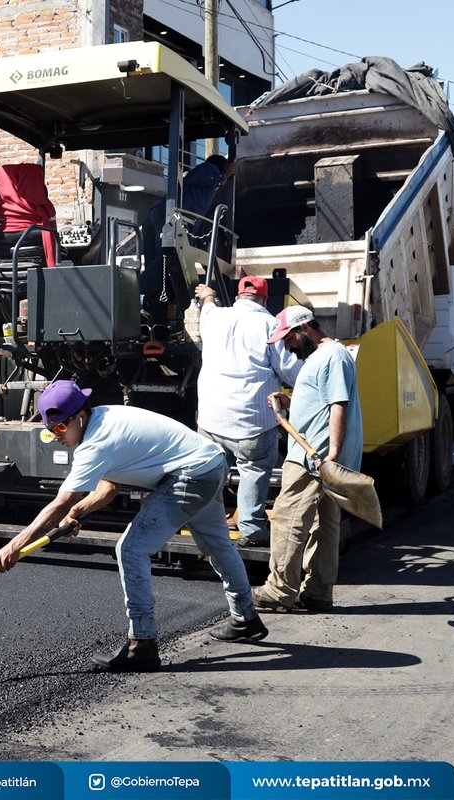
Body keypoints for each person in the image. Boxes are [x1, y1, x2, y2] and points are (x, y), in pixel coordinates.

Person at [0, 380, 267, 672]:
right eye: (50, 430)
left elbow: (60, 502)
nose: (56, 435)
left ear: (79, 417)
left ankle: (143, 644)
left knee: (131, 549)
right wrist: (77, 512)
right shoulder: (104, 419)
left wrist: (16, 545)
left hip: (191, 476)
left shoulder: (97, 441)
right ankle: (246, 618)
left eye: (60, 427)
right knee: (217, 546)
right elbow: (108, 488)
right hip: (209, 465)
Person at [253, 306, 362, 613]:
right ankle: (317, 593)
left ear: (304, 329)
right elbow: (320, 401)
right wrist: (288, 401)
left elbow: (337, 406)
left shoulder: (332, 356)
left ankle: (278, 591)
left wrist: (331, 457)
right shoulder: (323, 357)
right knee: (324, 525)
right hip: (319, 456)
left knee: (288, 520)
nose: (286, 346)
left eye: (288, 339)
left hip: (312, 457)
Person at [194, 276, 302, 548]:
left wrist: (208, 294)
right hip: (252, 422)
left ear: (238, 296)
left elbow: (208, 305)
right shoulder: (270, 325)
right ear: (265, 300)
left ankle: (211, 528)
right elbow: (290, 372)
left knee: (211, 473)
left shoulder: (214, 317)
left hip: (211, 419)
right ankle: (252, 530)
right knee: (253, 469)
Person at [141, 154, 237, 322]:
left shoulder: (200, 190)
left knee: (156, 264)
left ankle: (151, 309)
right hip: (168, 216)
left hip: (155, 213)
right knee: (162, 263)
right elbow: (199, 176)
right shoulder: (209, 170)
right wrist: (223, 174)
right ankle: (133, 291)